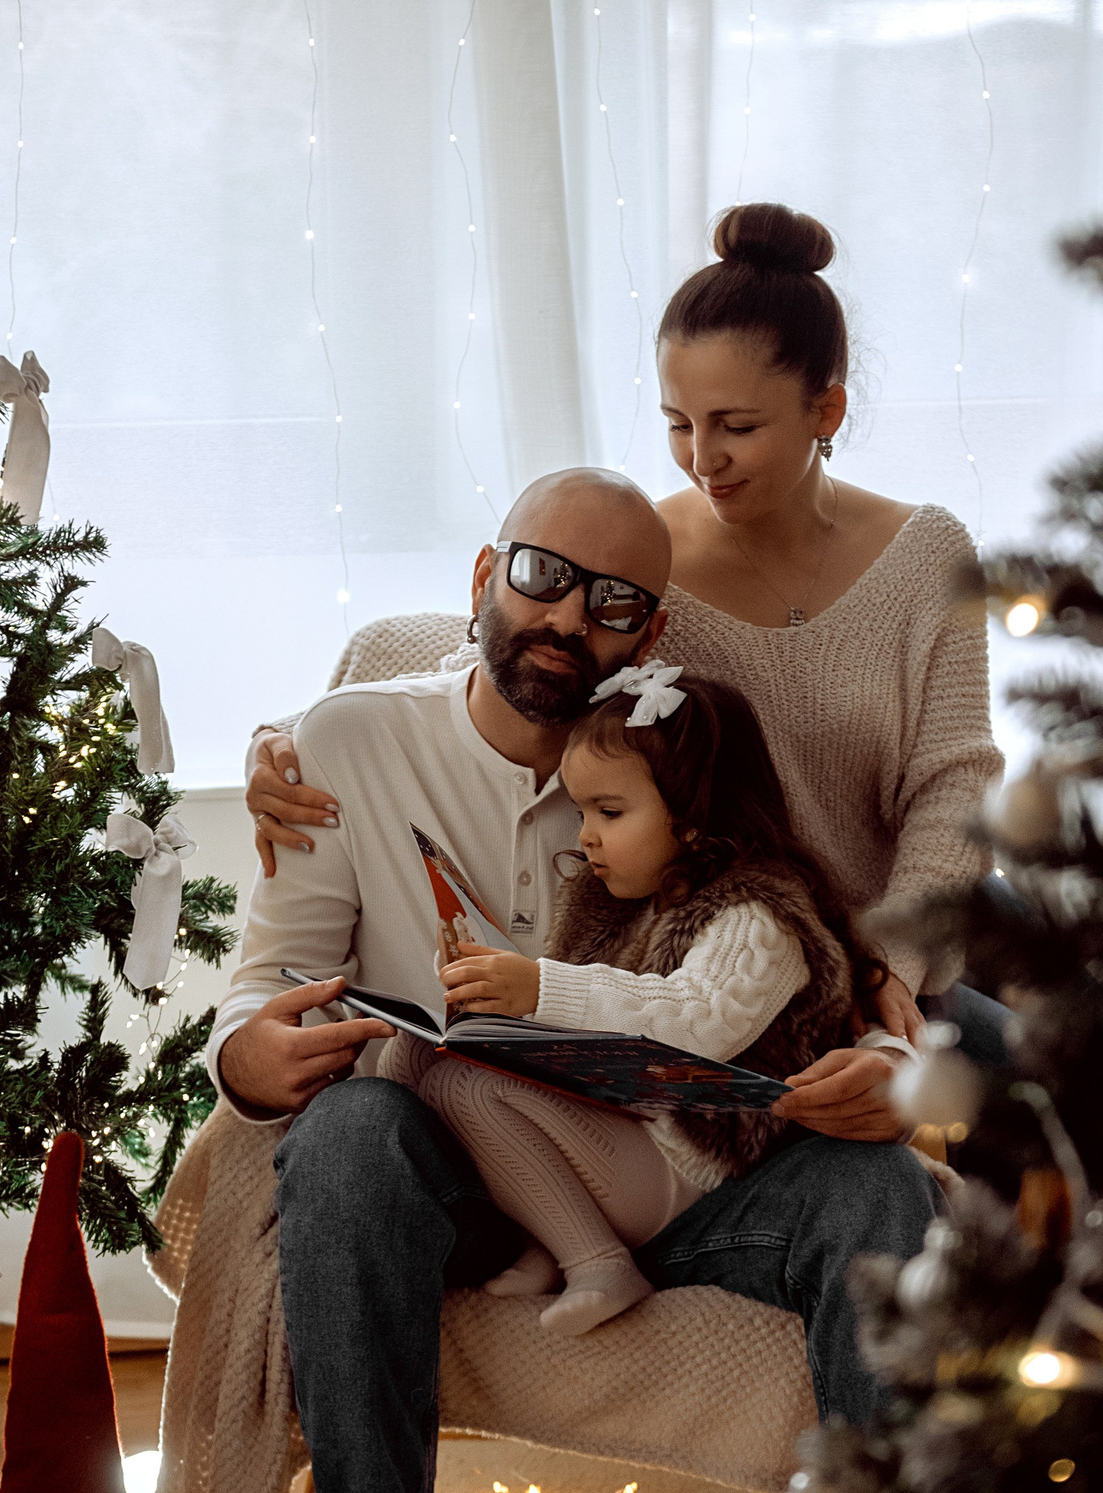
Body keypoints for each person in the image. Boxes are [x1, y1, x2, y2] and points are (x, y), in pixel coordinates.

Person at [210, 467, 974, 1493]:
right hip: (469, 1169)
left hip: (696, 1167)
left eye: (612, 602)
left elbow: (814, 946)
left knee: (884, 1190)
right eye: (541, 576)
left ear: (648, 633)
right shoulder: (346, 739)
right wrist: (246, 1056)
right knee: (351, 1131)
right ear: (482, 576)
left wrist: (887, 1065)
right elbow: (265, 979)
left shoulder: (666, 763)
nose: (567, 619)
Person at [249, 200, 1005, 1068]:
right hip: (724, 967)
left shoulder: (931, 556)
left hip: (888, 954)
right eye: (679, 423)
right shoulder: (646, 565)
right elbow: (505, 655)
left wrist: (887, 968)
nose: (701, 458)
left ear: (826, 410)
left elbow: (957, 787)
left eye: (737, 426)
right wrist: (283, 740)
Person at [406, 663, 879, 1338]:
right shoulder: (616, 901)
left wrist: (538, 986)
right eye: (581, 812)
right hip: (621, 1129)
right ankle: (531, 1225)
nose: (585, 836)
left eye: (609, 812)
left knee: (469, 1093)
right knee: (422, 1050)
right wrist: (476, 985)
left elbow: (690, 1021)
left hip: (683, 1166)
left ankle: (598, 1263)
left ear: (693, 817)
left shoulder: (757, 917)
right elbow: (573, 1014)